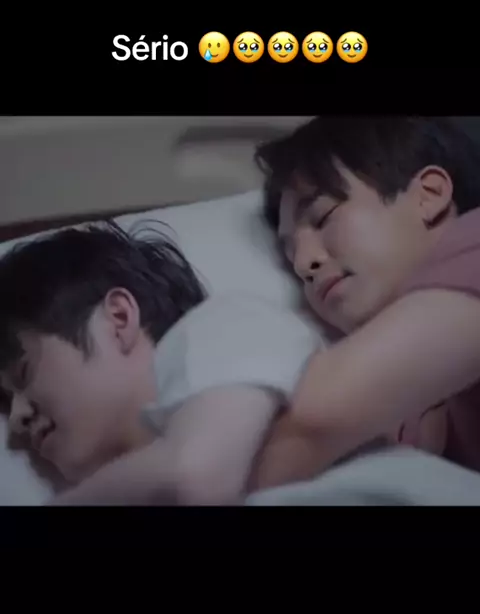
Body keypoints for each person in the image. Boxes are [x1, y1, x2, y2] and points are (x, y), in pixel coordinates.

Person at [0, 222, 319, 504]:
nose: (16, 420)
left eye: (24, 373)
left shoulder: (223, 323)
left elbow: (195, 479)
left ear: (118, 319)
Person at [251, 116, 480, 491]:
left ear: (429, 195)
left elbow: (311, 423)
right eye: (290, 257)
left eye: (323, 217)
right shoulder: (401, 420)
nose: (304, 264)